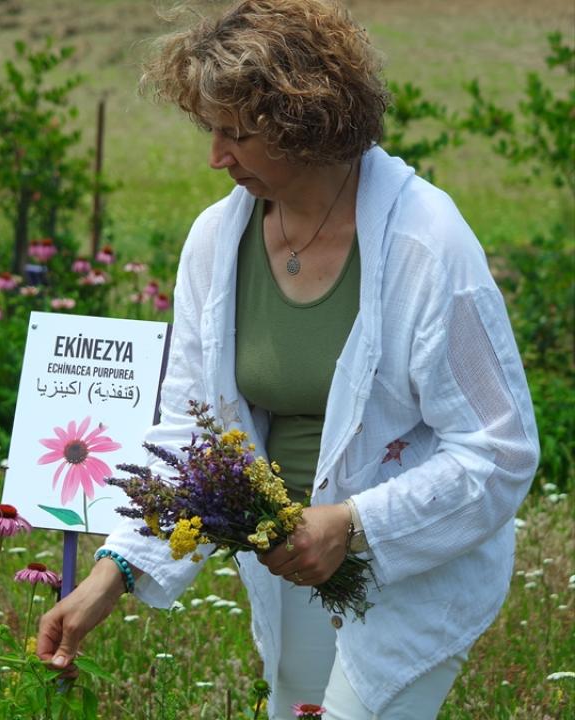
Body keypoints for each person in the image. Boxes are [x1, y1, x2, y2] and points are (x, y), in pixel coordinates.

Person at [36, 1, 539, 718]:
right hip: (287, 561)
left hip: (414, 570)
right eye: (211, 130)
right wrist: (111, 573)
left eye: (237, 134)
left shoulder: (427, 246)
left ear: (306, 125)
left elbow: (500, 451)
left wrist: (352, 524)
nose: (216, 156)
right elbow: (191, 434)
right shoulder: (216, 243)